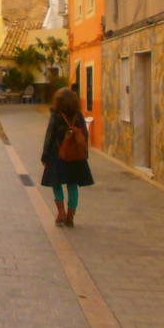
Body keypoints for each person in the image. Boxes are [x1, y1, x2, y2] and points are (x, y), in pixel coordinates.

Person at [40, 87, 94, 227]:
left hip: (57, 155)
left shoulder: (56, 115)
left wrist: (45, 156)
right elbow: (84, 136)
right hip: (75, 157)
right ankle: (71, 215)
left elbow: (50, 135)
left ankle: (61, 213)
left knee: (56, 183)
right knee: (72, 185)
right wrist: (83, 154)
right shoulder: (79, 115)